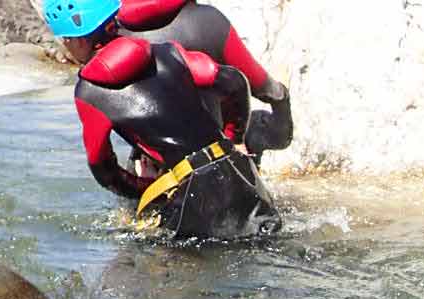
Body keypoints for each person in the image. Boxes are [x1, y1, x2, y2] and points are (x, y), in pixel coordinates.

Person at [44, 0, 293, 238]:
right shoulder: (169, 51)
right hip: (240, 175)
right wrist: (233, 140)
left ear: (75, 40)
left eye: (65, 39)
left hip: (191, 196)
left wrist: (144, 189)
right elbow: (235, 81)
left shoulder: (88, 93)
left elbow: (103, 169)